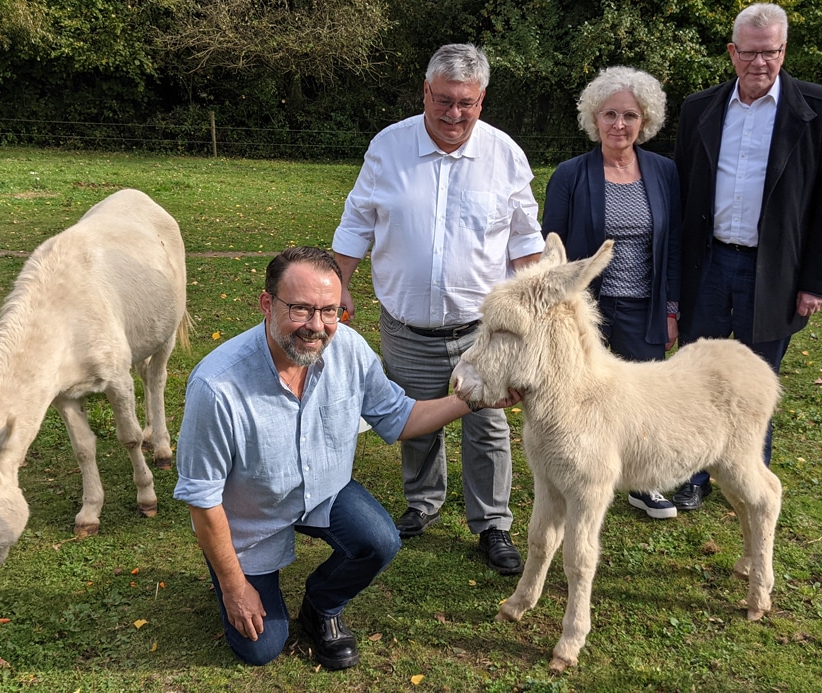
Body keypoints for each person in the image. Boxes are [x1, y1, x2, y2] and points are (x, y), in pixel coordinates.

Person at [174, 247, 518, 670]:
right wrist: (233, 586)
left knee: (380, 539)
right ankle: (239, 575)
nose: (316, 327)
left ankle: (321, 606)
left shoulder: (350, 349)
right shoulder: (216, 386)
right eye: (300, 309)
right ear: (267, 304)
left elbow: (401, 416)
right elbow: (202, 498)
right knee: (262, 649)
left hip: (322, 491)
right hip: (252, 516)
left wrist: (477, 400)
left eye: (330, 311)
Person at [332, 43, 545, 575]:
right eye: (444, 100)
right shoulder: (388, 147)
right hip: (407, 324)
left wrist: (537, 310)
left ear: (482, 99)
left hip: (483, 329)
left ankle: (492, 522)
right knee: (415, 420)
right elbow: (357, 219)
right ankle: (423, 503)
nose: (454, 114)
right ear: (425, 92)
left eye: (466, 103)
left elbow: (526, 241)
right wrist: (338, 282)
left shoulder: (505, 155)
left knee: (488, 427)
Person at [672, 2, 822, 511]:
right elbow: (685, 192)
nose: (760, 63)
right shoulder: (699, 108)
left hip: (773, 271)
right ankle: (695, 475)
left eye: (770, 51)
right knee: (695, 375)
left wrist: (816, 281)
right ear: (732, 52)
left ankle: (749, 480)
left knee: (755, 382)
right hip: (708, 266)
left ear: (783, 49)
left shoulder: (819, 109)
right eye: (749, 52)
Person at [540, 65, 682, 520]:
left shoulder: (663, 172)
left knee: (642, 397)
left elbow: (673, 243)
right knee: (585, 394)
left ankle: (645, 484)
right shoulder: (570, 174)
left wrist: (672, 307)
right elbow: (552, 247)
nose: (619, 125)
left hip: (646, 304)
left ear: (646, 121)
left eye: (630, 116)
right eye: (610, 115)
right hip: (588, 310)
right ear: (594, 119)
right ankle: (576, 471)